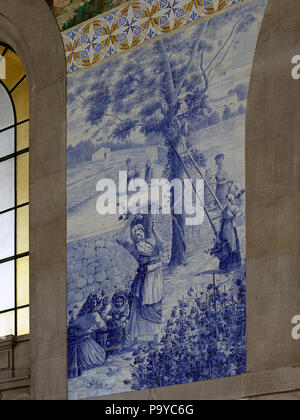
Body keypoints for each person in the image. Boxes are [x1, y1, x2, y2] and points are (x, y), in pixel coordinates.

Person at [116, 215, 165, 342]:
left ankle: (155, 336)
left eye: (141, 230)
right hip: (145, 280)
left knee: (156, 306)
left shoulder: (150, 243)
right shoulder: (134, 247)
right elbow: (119, 238)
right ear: (133, 235)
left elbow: (162, 244)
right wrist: (130, 221)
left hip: (156, 279)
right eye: (136, 231)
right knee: (139, 306)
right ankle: (135, 337)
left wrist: (154, 229)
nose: (139, 233)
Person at [68, 294, 106, 379]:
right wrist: (92, 329)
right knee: (98, 357)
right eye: (100, 304)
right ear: (97, 305)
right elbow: (103, 327)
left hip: (76, 342)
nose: (101, 306)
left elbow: (73, 326)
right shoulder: (95, 314)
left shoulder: (80, 314)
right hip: (86, 343)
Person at [211, 193, 243, 271]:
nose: (226, 201)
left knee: (230, 245)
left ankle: (233, 264)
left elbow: (239, 213)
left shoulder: (233, 208)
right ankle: (224, 264)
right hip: (224, 227)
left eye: (227, 200)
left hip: (230, 228)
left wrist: (233, 218)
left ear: (230, 200)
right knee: (223, 243)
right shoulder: (224, 209)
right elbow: (221, 220)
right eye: (225, 200)